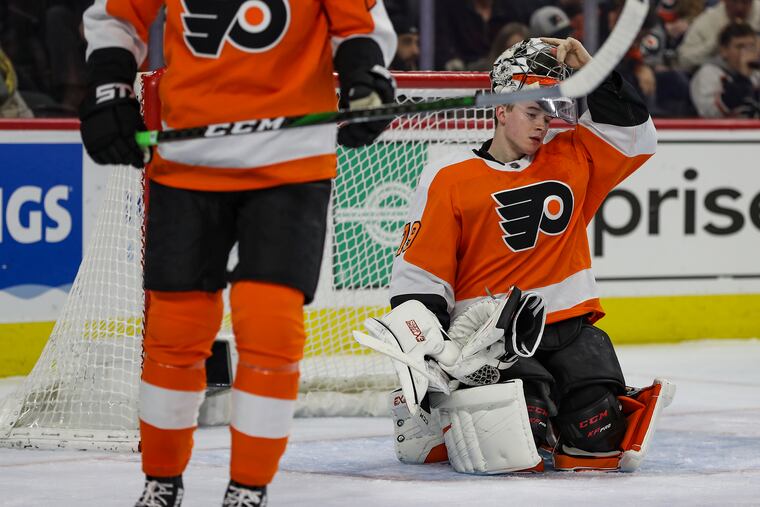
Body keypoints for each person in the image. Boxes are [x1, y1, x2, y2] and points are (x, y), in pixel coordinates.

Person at [79, 1, 396, 505]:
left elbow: (361, 27)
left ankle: (249, 487)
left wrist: (366, 76)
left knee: (270, 324)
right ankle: (161, 479)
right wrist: (109, 87)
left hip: (290, 164)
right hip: (187, 161)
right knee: (174, 331)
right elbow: (115, 15)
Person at [357, 37, 673, 474]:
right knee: (517, 443)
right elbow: (421, 273)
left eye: (549, 113)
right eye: (531, 112)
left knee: (599, 440)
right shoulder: (449, 176)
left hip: (570, 327)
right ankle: (434, 418)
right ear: (501, 109)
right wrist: (436, 356)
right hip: (493, 339)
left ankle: (564, 411)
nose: (543, 124)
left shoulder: (575, 155)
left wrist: (591, 67)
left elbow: (636, 138)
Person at [690, 22, 760, 117]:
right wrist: (742, 78)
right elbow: (709, 113)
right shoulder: (708, 74)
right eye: (740, 47)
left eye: (751, 47)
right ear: (724, 51)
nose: (746, 53)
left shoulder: (756, 74)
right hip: (719, 131)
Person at [677, 0, 760, 71]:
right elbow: (684, 60)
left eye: (745, 2)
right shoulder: (707, 21)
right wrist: (715, 43)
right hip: (719, 76)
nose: (740, 8)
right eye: (734, 2)